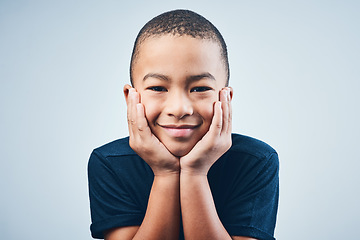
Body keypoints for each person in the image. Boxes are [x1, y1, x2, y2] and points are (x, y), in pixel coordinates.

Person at [88, 9, 279, 240]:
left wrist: (195, 173)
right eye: (158, 88)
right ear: (132, 97)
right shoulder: (109, 163)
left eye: (200, 88)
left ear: (225, 98)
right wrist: (165, 173)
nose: (179, 109)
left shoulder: (256, 161)